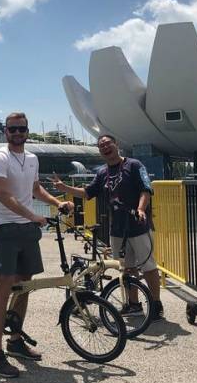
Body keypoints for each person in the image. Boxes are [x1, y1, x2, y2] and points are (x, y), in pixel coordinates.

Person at [0, 112, 74, 378]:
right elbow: (2, 193)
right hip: (6, 227)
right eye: (12, 129)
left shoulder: (32, 158)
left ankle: (15, 341)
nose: (17, 133)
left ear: (27, 131)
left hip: (27, 230)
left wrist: (57, 202)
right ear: (6, 132)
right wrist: (32, 216)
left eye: (21, 129)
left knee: (25, 284)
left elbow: (35, 189)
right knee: (3, 289)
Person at [52, 134, 164, 321]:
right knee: (126, 268)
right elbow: (88, 193)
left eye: (107, 143)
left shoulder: (134, 165)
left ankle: (155, 304)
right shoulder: (102, 172)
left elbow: (146, 189)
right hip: (117, 228)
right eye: (101, 146)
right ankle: (134, 304)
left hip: (137, 224)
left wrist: (140, 209)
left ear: (116, 144)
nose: (105, 147)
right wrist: (65, 188)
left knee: (148, 267)